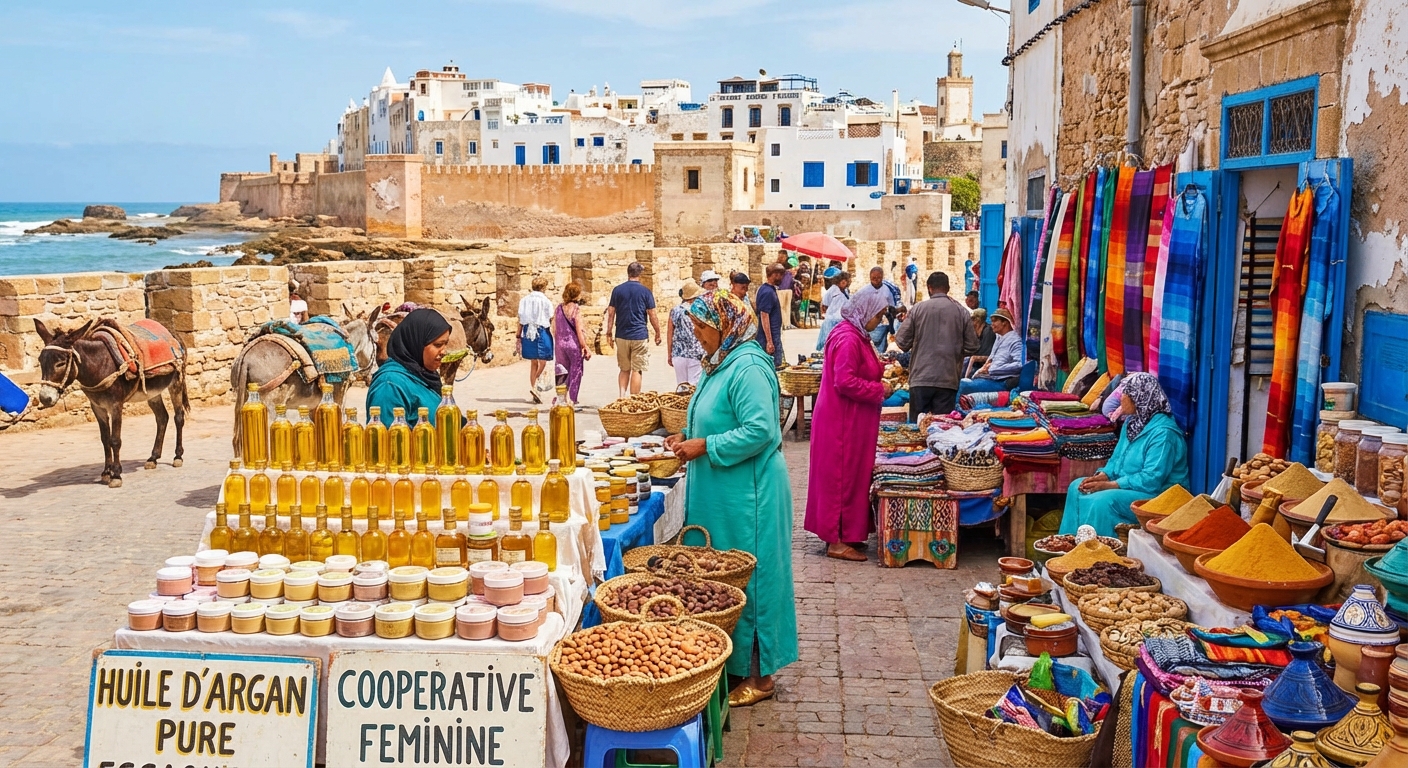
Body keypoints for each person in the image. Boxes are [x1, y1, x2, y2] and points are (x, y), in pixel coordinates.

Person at [665, 290, 798, 707]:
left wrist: (705, 446)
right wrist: (687, 435)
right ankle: (735, 662)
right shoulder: (720, 361)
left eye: (702, 327)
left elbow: (761, 430)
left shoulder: (749, 367)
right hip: (726, 494)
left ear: (725, 324)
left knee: (753, 578)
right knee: (725, 578)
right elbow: (716, 415)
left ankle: (761, 676)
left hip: (751, 497)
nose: (698, 335)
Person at [804, 291, 894, 561]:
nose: (878, 321)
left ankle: (848, 532)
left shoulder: (854, 334)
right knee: (841, 477)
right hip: (842, 421)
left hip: (850, 420)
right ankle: (836, 540)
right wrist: (879, 389)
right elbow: (844, 381)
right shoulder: (847, 338)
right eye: (877, 315)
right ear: (865, 311)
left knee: (853, 475)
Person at [1059, 373, 1191, 536]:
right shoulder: (1132, 423)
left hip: (1158, 494)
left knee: (1102, 501)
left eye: (1125, 394)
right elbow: (1116, 459)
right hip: (1128, 485)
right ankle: (1070, 544)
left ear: (1139, 398)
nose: (1121, 398)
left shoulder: (1163, 434)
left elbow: (1152, 479)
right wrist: (1104, 476)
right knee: (1077, 487)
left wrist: (1110, 485)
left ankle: (1099, 552)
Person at [895, 272, 976, 420]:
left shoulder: (918, 309)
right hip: (947, 379)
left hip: (921, 377)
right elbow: (972, 346)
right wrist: (955, 349)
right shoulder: (961, 312)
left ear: (929, 288)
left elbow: (901, 342)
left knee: (916, 430)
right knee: (942, 429)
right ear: (948, 288)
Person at [366, 308, 452, 425]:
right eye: (438, 345)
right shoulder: (390, 386)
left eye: (445, 344)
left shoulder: (423, 375)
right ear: (416, 343)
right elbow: (385, 439)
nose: (443, 351)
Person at [603, 262, 662, 398]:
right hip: (639, 335)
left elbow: (611, 312)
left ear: (628, 273)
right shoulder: (646, 292)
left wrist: (609, 332)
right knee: (637, 369)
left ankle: (622, 396)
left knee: (624, 369)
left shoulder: (617, 290)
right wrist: (657, 332)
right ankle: (634, 399)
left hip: (621, 335)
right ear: (639, 274)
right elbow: (652, 314)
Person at [958, 308, 1023, 395]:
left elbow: (1019, 364)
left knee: (961, 385)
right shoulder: (999, 337)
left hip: (1000, 381)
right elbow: (990, 359)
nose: (992, 324)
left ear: (1005, 322)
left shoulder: (1015, 340)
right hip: (988, 378)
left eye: (995, 321)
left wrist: (993, 369)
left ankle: (953, 408)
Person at [516, 276, 555, 403]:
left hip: (527, 331)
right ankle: (536, 385)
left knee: (533, 362)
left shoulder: (524, 300)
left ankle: (534, 388)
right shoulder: (546, 301)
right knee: (543, 360)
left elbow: (521, 319)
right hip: (541, 331)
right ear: (544, 287)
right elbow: (550, 317)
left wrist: (518, 335)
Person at [554, 280, 591, 403]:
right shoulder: (575, 309)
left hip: (560, 344)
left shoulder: (558, 308)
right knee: (576, 371)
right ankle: (572, 399)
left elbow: (555, 328)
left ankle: (560, 398)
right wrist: (584, 346)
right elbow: (579, 330)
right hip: (573, 344)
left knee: (561, 370)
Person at [852, 266, 900, 353]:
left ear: (882, 277)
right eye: (873, 278)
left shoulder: (887, 290)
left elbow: (892, 307)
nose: (876, 280)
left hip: (882, 324)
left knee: (880, 351)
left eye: (878, 278)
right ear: (870, 278)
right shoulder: (864, 291)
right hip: (868, 324)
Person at [667, 280, 705, 385]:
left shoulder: (674, 311)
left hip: (679, 354)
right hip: (696, 354)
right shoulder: (699, 311)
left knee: (682, 386)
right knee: (694, 387)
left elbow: (670, 333)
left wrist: (669, 354)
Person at [755, 264, 786, 367]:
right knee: (772, 366)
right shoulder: (768, 292)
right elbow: (764, 315)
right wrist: (769, 341)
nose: (782, 278)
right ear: (774, 275)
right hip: (768, 337)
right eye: (780, 275)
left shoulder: (767, 289)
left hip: (773, 335)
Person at [816, 269, 851, 349]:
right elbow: (825, 304)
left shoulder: (846, 291)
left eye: (846, 281)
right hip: (831, 320)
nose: (844, 283)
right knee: (828, 342)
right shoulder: (832, 290)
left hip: (842, 320)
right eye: (842, 281)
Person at [963, 307, 997, 376]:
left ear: (977, 320)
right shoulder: (976, 333)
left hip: (984, 368)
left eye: (972, 319)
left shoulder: (988, 332)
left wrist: (972, 357)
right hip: (976, 365)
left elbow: (986, 355)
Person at [778, 264, 796, 330]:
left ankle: (783, 323)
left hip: (781, 291)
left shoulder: (781, 274)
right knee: (787, 308)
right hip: (788, 291)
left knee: (781, 308)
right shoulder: (790, 274)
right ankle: (787, 324)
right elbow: (792, 283)